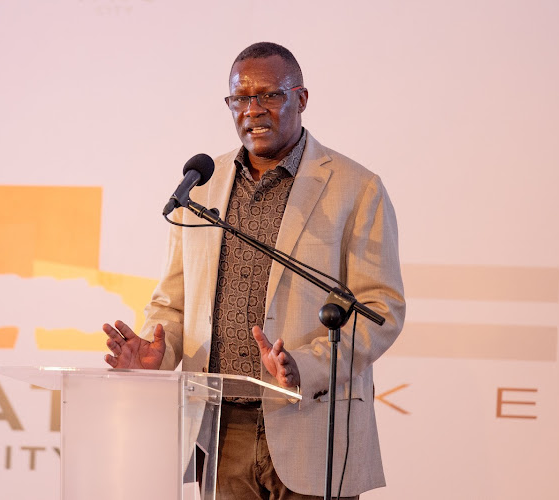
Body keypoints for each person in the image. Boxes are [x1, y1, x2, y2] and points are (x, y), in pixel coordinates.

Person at [103, 42, 405, 500]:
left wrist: (303, 366)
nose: (253, 111)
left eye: (269, 95)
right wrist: (155, 358)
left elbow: (380, 309)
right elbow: (173, 303)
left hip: (313, 421)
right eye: (240, 99)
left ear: (300, 98)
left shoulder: (355, 187)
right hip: (220, 429)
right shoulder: (200, 188)